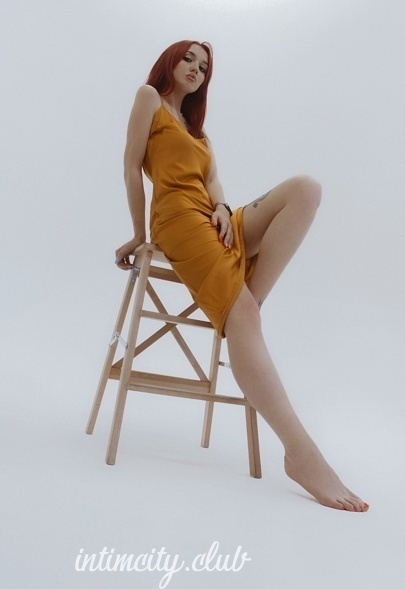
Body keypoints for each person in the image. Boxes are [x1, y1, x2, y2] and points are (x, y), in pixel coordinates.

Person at [115, 39, 369, 512]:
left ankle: (244, 311)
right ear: (170, 61)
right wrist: (137, 234)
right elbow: (131, 168)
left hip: (211, 220)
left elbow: (214, 185)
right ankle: (300, 452)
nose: (196, 69)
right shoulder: (149, 99)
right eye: (188, 58)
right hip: (177, 222)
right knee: (244, 316)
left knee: (305, 189)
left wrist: (222, 207)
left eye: (204, 66)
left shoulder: (199, 134)